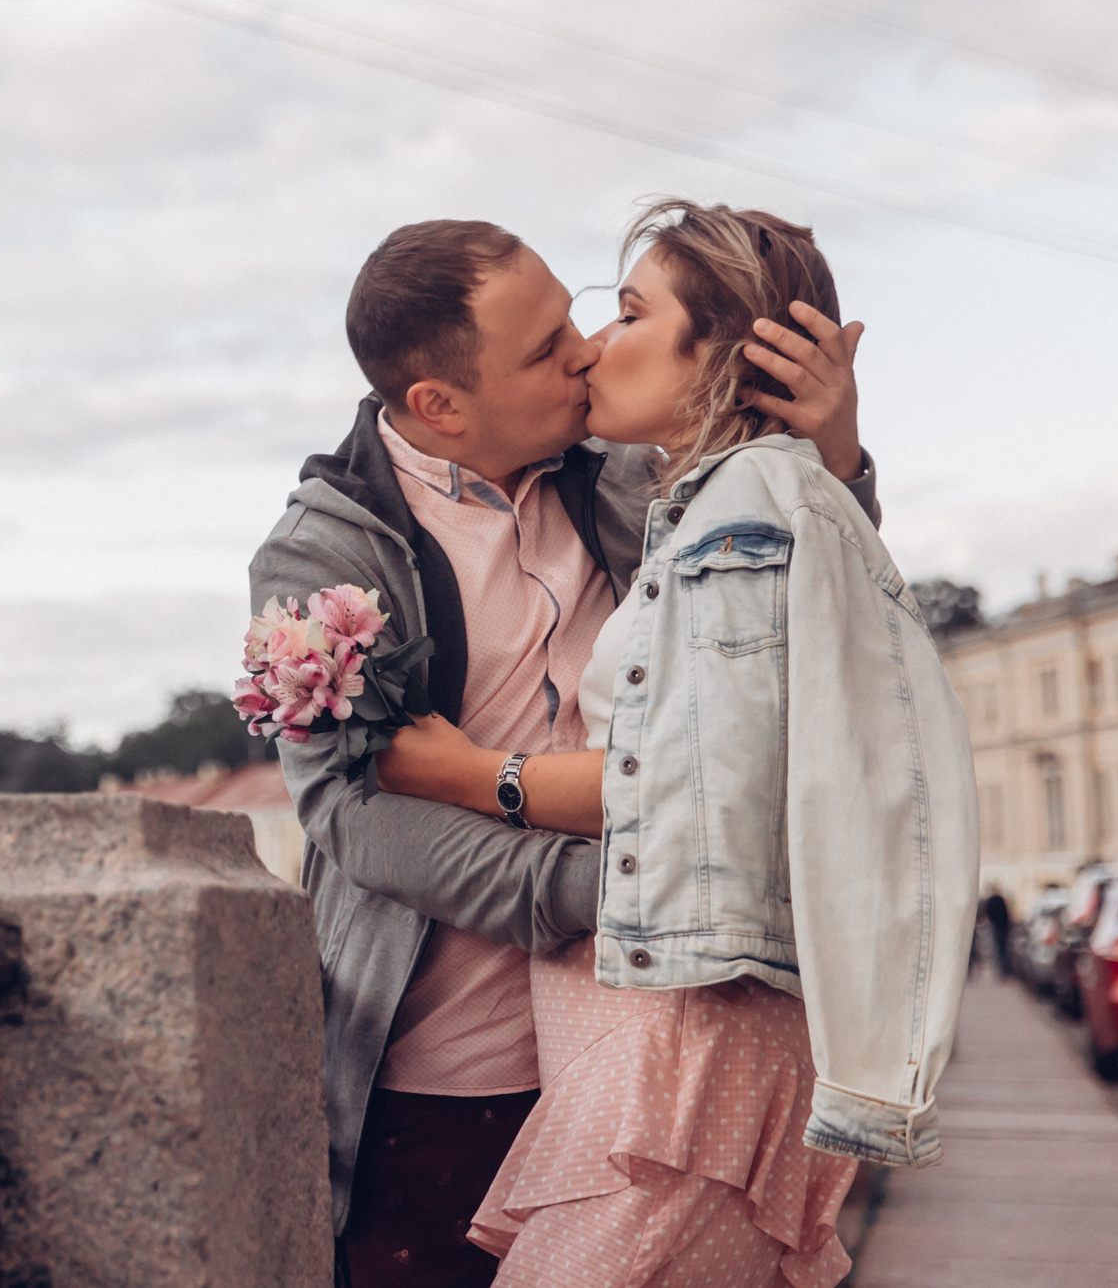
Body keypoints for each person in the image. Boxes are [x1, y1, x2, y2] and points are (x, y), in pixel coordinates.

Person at [251, 217, 879, 1288]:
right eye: (546, 348)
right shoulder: (327, 551)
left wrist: (834, 457)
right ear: (437, 404)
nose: (586, 349)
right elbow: (356, 817)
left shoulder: (632, 470)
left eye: (584, 318)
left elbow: (797, 640)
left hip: (650, 1063)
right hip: (438, 1080)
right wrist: (622, 883)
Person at [376, 201, 978, 1286]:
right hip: (648, 1063)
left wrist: (474, 777)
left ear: (727, 358)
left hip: (684, 1063)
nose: (593, 348)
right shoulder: (691, 497)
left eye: (628, 315)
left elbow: (683, 786)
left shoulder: (738, 516)